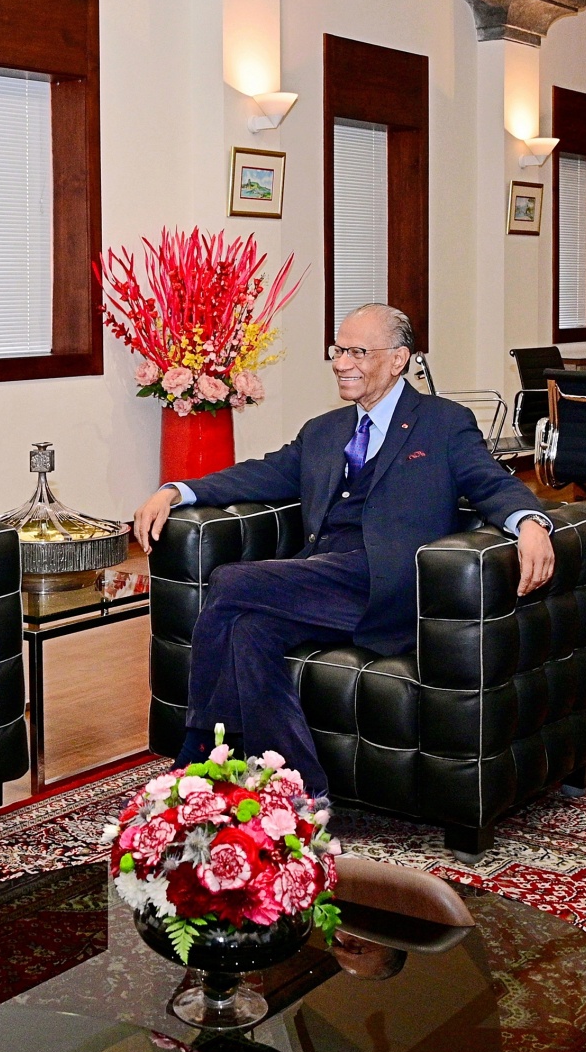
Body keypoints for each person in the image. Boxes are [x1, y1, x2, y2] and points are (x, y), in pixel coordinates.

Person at [131, 303, 555, 796]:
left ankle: (199, 746)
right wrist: (177, 490)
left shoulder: (443, 423)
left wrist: (528, 523)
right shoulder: (325, 430)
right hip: (324, 582)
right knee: (249, 629)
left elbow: (489, 483)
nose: (341, 362)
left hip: (388, 585)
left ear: (398, 360)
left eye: (357, 351)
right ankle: (300, 793)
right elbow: (263, 473)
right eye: (338, 350)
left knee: (228, 579)